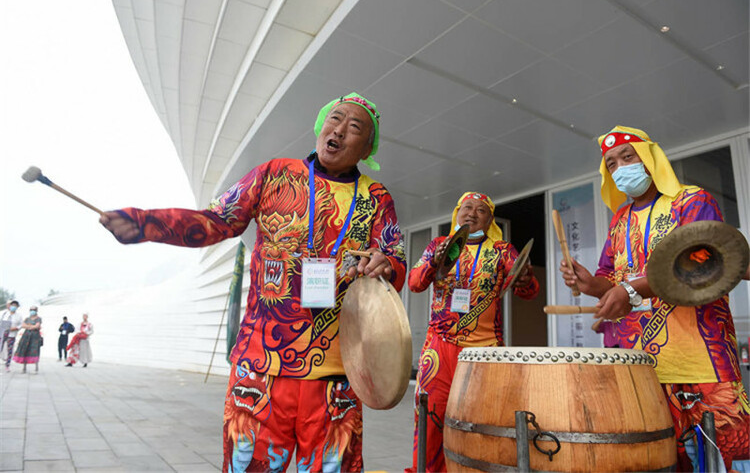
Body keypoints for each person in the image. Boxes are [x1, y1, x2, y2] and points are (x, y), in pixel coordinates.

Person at [99, 93, 406, 472]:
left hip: (337, 377)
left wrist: (387, 264)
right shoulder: (274, 173)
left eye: (355, 127)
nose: (340, 130)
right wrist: (149, 224)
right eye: (336, 119)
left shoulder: (376, 199)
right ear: (321, 126)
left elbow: (395, 258)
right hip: (259, 371)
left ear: (367, 149)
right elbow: (217, 220)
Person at [560, 126, 749, 471]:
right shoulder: (619, 222)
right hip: (642, 363)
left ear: (649, 158)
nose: (620, 168)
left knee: (731, 454)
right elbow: (610, 280)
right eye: (611, 164)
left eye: (627, 157)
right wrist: (590, 284)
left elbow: (700, 262)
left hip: (702, 354)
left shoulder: (691, 202)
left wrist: (630, 290)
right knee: (664, 457)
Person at [406, 192, 540, 472]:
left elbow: (528, 290)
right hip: (439, 349)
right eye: (467, 207)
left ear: (490, 220)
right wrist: (433, 262)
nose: (472, 213)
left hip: (485, 351)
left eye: (481, 210)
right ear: (456, 213)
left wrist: (526, 278)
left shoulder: (503, 249)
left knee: (484, 421)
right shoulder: (438, 245)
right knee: (431, 418)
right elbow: (415, 283)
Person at [13, 306, 42, 374]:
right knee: (25, 350)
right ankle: (24, 368)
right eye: (31, 310)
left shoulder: (38, 318)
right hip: (26, 336)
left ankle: (36, 368)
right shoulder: (27, 318)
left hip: (35, 337)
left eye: (34, 310)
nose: (32, 311)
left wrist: (29, 326)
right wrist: (32, 326)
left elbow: (37, 326)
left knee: (34, 351)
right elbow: (23, 325)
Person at [1, 300, 24, 372]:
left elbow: (21, 325)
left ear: (17, 307)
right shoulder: (4, 314)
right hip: (2, 333)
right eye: (12, 305)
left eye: (15, 306)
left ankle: (7, 365)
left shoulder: (19, 316)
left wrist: (16, 328)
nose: (13, 307)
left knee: (9, 350)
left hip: (11, 334)